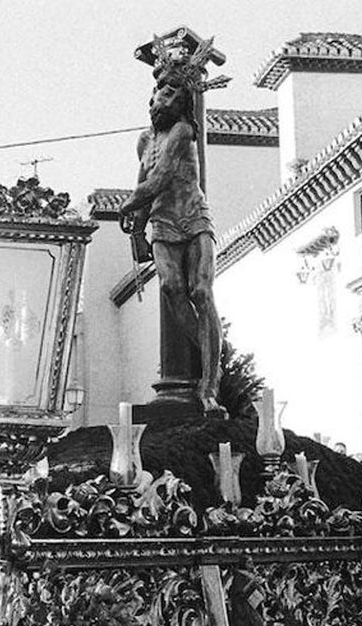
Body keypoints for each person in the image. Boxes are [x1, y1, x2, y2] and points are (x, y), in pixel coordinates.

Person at [119, 37, 225, 417]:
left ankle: (208, 384)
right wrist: (137, 229)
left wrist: (127, 204)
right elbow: (144, 179)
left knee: (201, 290)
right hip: (163, 223)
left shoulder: (183, 131)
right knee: (170, 287)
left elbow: (160, 178)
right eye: (159, 92)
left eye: (171, 94)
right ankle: (212, 354)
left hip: (193, 217)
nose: (161, 99)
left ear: (183, 102)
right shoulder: (145, 140)